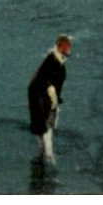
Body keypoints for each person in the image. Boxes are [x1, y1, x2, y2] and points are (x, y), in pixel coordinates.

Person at [27, 35, 71, 163]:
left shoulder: (54, 60)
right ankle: (49, 155)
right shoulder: (53, 62)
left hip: (43, 98)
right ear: (59, 48)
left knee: (43, 126)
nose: (66, 55)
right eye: (65, 52)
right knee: (47, 126)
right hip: (44, 98)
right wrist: (53, 99)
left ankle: (43, 152)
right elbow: (44, 82)